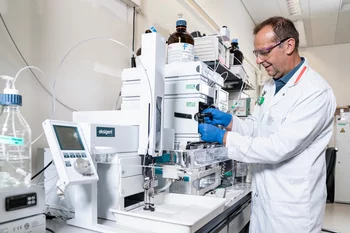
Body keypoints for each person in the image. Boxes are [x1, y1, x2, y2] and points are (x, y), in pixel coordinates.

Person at [198, 16, 336, 233]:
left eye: (265, 52)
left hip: (292, 211)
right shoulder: (271, 86)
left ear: (289, 45)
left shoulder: (315, 92)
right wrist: (230, 122)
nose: (259, 60)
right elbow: (257, 127)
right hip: (265, 202)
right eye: (257, 53)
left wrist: (223, 138)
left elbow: (278, 147)